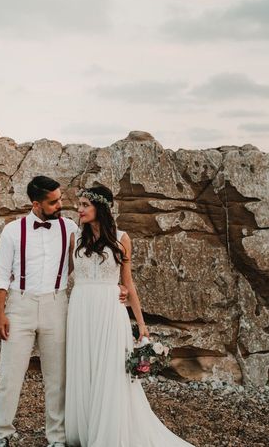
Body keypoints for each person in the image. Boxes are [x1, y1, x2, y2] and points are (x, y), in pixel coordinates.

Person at [0, 176, 127, 447]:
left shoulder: (71, 228)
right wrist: (0, 314)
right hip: (20, 306)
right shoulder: (13, 231)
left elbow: (94, 256)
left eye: (61, 199)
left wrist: (115, 286)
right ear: (36, 204)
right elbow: (0, 276)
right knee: (10, 374)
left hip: (57, 305)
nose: (61, 205)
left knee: (57, 378)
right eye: (54, 202)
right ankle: (2, 434)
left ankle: (56, 437)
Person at [64, 185, 194, 446]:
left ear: (100, 207)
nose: (79, 210)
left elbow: (128, 282)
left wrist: (142, 325)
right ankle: (86, 428)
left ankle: (109, 432)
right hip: (80, 307)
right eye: (78, 204)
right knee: (83, 366)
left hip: (110, 309)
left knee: (110, 370)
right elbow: (64, 273)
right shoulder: (74, 238)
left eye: (84, 205)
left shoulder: (122, 239)